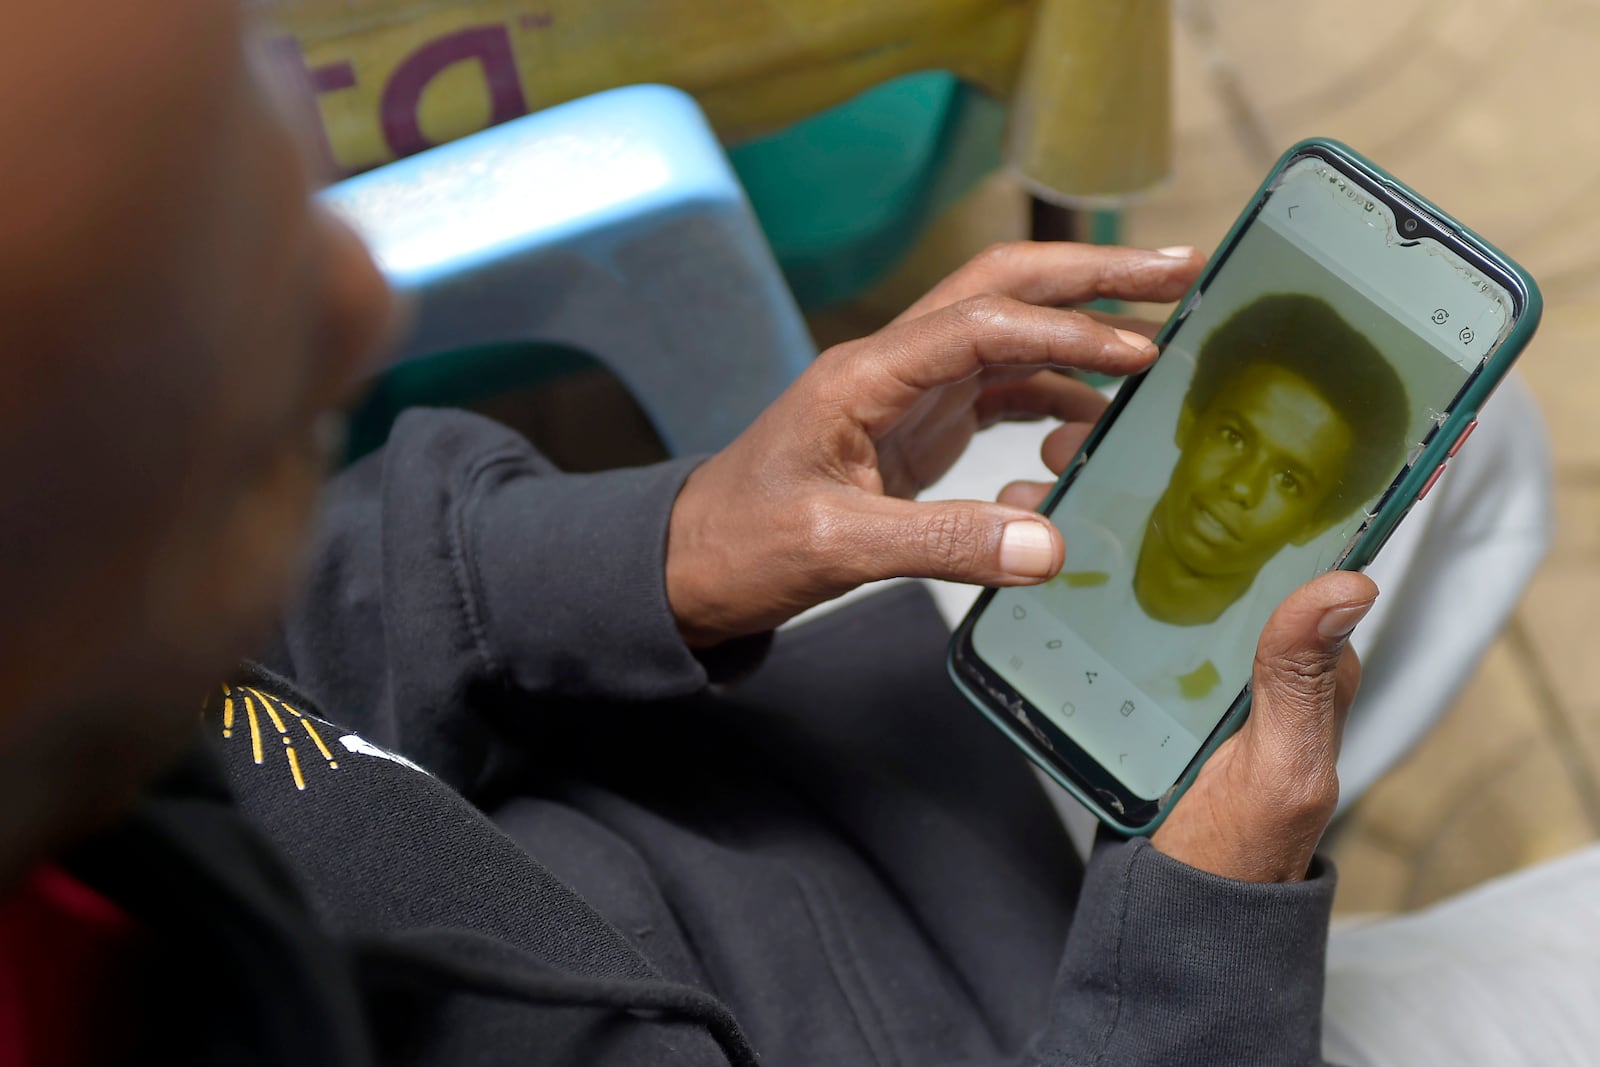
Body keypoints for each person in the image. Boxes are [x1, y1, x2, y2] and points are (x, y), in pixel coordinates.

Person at [0, 2, 1421, 1065]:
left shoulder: (75, 673)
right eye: (190, 294)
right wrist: (1202, 955)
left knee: (1459, 476)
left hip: (793, 767)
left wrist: (669, 543)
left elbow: (285, 645)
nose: (367, 298)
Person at [1024, 293, 1411, 729]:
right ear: (1189, 421)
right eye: (1234, 436)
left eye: (1288, 480)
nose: (1241, 485)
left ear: (1315, 523)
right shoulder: (1056, 527)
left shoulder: (1267, 685)